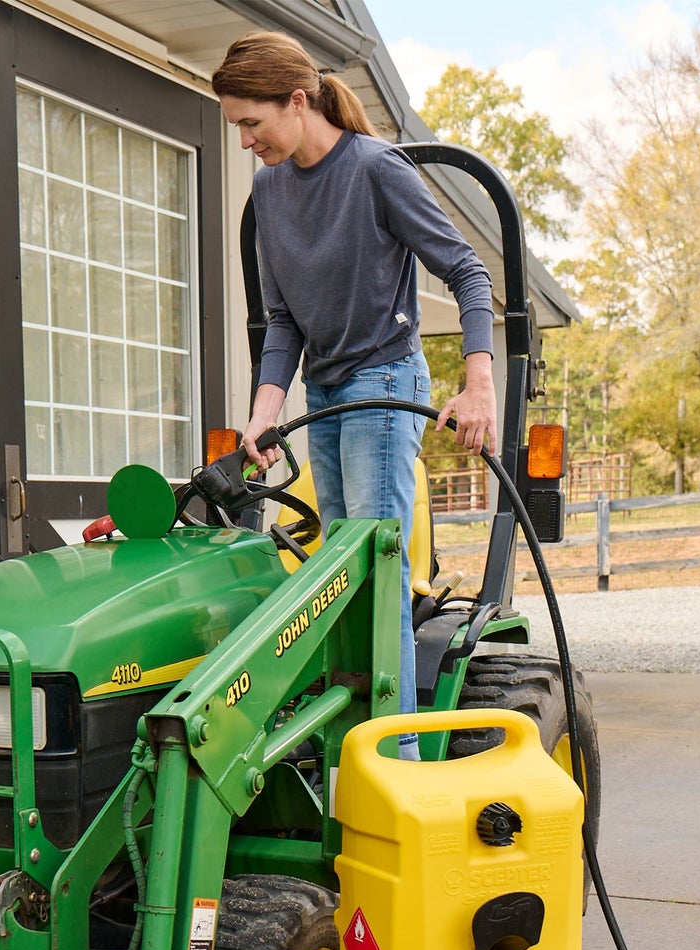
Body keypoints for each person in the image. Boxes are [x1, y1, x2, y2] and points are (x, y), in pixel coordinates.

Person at [212, 31, 498, 757]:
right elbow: (282, 319)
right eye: (237, 127)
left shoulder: (374, 170)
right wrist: (263, 413)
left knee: (373, 577)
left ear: (297, 101)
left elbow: (466, 271)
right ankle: (349, 755)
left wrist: (478, 384)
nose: (245, 141)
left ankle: (391, 766)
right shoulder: (270, 188)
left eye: (252, 122)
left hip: (383, 379)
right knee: (335, 588)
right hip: (328, 390)